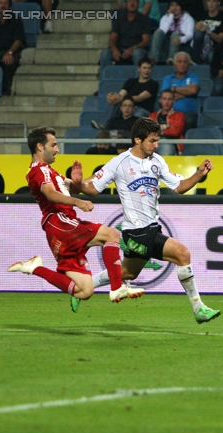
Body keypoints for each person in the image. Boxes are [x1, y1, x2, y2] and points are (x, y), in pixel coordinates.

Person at [74, 118, 221, 324]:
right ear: (137, 140)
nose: (156, 145)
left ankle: (80, 288)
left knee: (127, 273)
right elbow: (93, 189)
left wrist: (198, 174)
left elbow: (179, 187)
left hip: (150, 228)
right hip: (137, 231)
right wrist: (79, 183)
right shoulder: (119, 163)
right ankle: (199, 308)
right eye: (152, 140)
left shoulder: (157, 161)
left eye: (157, 140)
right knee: (182, 254)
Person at [8, 126, 144, 313]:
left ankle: (35, 268)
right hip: (60, 222)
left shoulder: (50, 172)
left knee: (84, 290)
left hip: (57, 229)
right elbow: (50, 194)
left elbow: (74, 187)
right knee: (111, 234)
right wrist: (78, 202)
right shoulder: (39, 170)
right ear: (40, 147)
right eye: (53, 145)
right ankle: (117, 287)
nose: (57, 149)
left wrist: (78, 182)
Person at [99, 0, 152, 69]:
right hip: (120, 49)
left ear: (138, 4)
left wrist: (132, 49)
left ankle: (138, 79)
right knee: (105, 53)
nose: (132, 3)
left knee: (137, 54)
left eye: (135, 1)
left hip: (137, 49)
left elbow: (146, 41)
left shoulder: (144, 20)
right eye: (129, 1)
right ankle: (106, 78)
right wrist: (114, 49)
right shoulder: (119, 19)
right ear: (126, 4)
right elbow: (112, 38)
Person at [160, 51, 201, 130]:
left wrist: (173, 89)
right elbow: (165, 95)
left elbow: (194, 90)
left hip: (189, 113)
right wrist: (186, 93)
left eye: (185, 62)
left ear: (188, 65)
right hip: (170, 112)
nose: (182, 64)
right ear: (175, 65)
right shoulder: (168, 78)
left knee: (189, 120)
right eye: (180, 62)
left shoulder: (194, 77)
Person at [148, 0, 195, 64]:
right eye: (172, 5)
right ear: (169, 7)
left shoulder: (188, 18)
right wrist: (170, 17)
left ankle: (172, 59)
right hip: (166, 47)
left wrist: (181, 39)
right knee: (157, 32)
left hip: (182, 47)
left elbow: (190, 35)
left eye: (177, 5)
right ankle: (153, 58)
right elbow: (162, 31)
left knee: (175, 33)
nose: (174, 8)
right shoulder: (164, 18)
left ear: (181, 7)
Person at [192, 0, 223, 64]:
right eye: (209, 1)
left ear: (218, 3)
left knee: (211, 56)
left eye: (214, 1)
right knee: (198, 33)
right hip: (201, 48)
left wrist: (207, 30)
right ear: (206, 2)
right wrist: (196, 28)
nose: (211, 4)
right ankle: (196, 60)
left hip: (215, 49)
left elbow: (220, 39)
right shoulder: (202, 15)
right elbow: (195, 35)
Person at [149, 89, 186, 155]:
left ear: (174, 101)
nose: (166, 102)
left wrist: (158, 129)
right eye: (164, 99)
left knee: (166, 147)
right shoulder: (153, 115)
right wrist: (166, 127)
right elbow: (148, 130)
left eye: (169, 99)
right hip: (152, 142)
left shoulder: (179, 115)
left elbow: (175, 132)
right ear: (160, 100)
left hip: (170, 143)